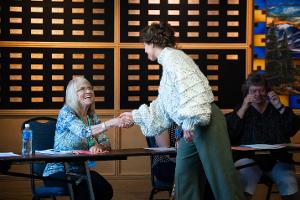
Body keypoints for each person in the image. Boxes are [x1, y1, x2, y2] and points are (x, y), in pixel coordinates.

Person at [120, 22, 245, 200]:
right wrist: (135, 116)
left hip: (204, 121)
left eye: (144, 45)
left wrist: (190, 123)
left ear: (152, 43)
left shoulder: (174, 58)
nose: (144, 50)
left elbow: (194, 89)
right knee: (184, 175)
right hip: (191, 126)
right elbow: (164, 105)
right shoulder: (168, 61)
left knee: (221, 176)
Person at [43, 77, 131, 200]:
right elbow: (84, 132)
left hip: (80, 171)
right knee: (86, 188)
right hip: (58, 172)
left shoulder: (91, 115)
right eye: (82, 89)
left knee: (106, 189)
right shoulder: (66, 112)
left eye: (90, 88)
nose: (88, 91)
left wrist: (99, 146)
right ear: (73, 95)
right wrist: (112, 122)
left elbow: (106, 142)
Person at [226, 72, 300, 200]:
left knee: (289, 182)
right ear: (247, 92)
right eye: (254, 91)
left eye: (261, 91)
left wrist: (279, 105)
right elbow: (231, 133)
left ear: (267, 91)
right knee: (241, 180)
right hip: (248, 159)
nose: (258, 95)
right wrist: (244, 107)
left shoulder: (276, 109)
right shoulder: (241, 109)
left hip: (278, 159)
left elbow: (292, 128)